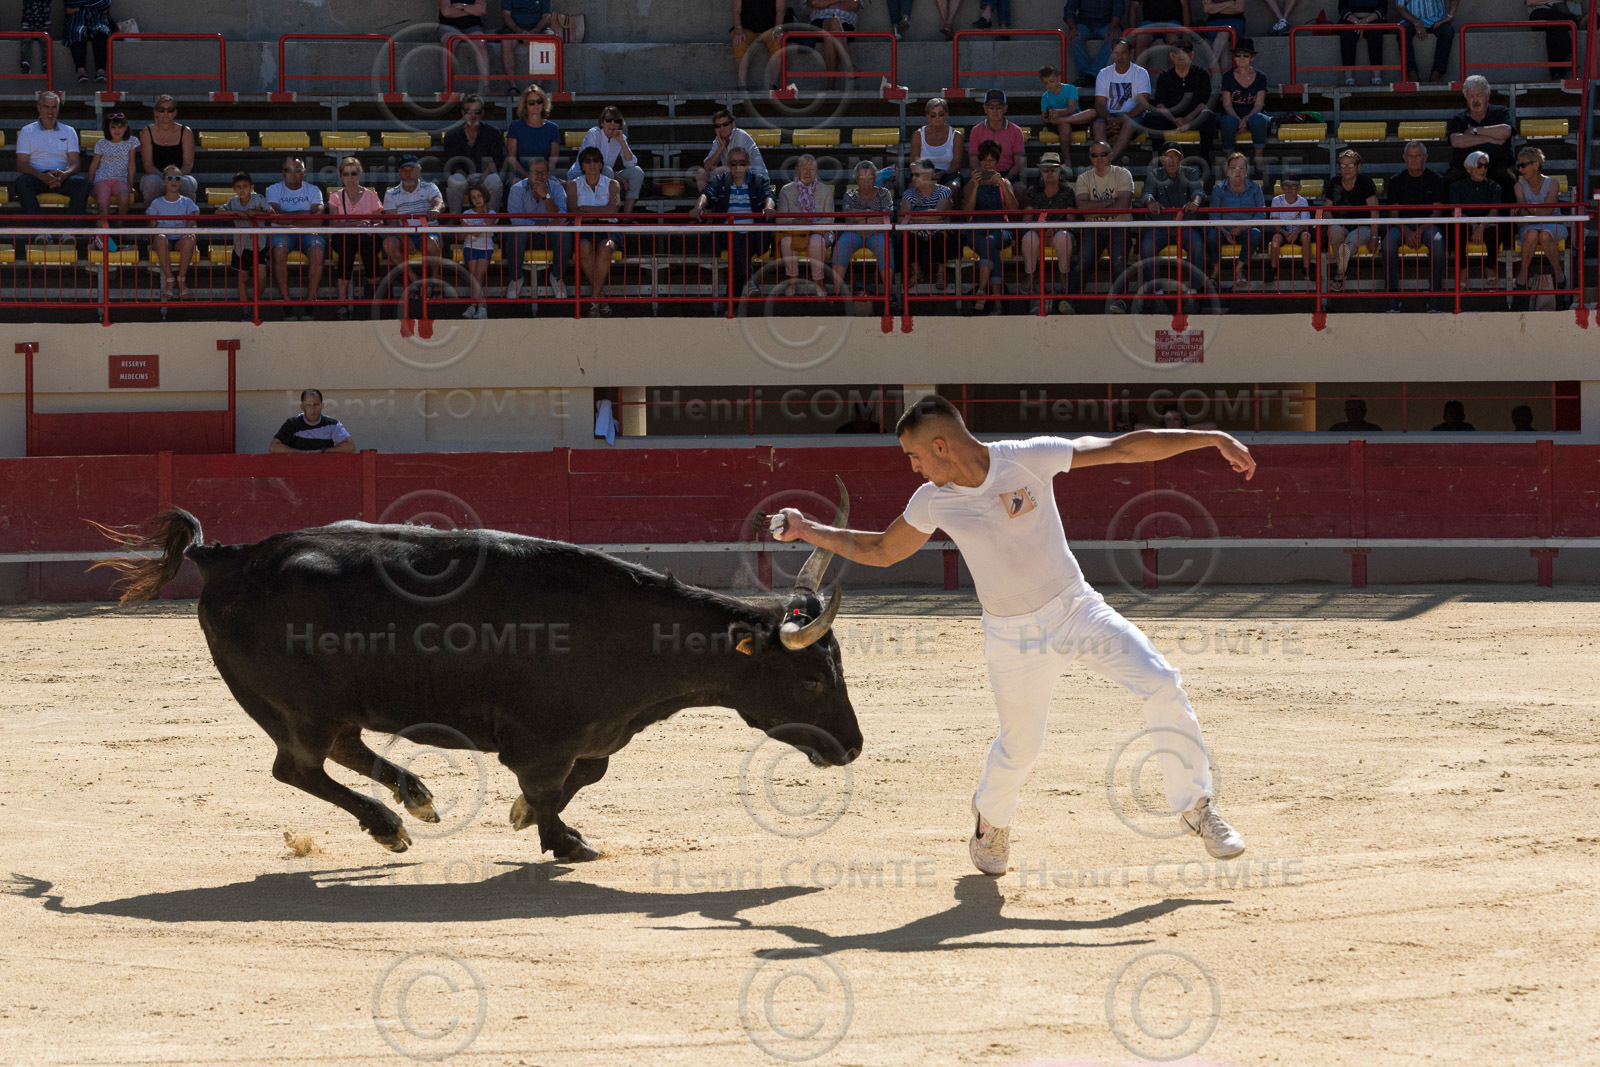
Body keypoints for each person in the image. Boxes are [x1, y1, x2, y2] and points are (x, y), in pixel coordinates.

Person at [771, 394, 1251, 876]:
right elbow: (882, 550)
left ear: (940, 446)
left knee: (1162, 682)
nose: (913, 468)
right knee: (1021, 744)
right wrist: (808, 529)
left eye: (914, 456)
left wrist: (1209, 437)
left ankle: (1196, 807)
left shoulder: (1026, 459)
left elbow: (1123, 449)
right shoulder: (932, 500)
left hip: (1076, 609)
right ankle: (990, 822)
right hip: (1012, 635)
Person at [691, 146, 776, 301]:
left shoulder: (758, 180)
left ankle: (731, 306)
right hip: (726, 235)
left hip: (754, 237)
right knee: (736, 237)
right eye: (734, 163)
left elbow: (768, 195)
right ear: (728, 165)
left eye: (742, 163)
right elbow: (706, 194)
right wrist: (698, 206)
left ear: (749, 163)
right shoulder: (720, 180)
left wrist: (768, 207)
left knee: (738, 250)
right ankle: (749, 282)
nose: (738, 167)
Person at [1382, 140, 1448, 313]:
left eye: (1417, 156)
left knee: (1438, 242)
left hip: (1428, 225)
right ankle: (1392, 299)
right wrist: (1408, 232)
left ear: (1425, 157)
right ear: (1404, 158)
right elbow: (1394, 215)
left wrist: (1418, 231)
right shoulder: (1396, 181)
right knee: (1388, 244)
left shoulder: (1436, 180)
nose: (1413, 160)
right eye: (1410, 156)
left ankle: (1435, 299)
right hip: (1401, 226)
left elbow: (1437, 214)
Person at [1077, 139, 1135, 312]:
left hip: (1119, 226)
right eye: (1095, 155)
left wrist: (1093, 208)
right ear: (1090, 157)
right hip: (1092, 228)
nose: (1099, 158)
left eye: (1103, 154)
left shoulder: (1123, 173)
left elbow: (1123, 206)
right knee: (1083, 260)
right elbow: (1082, 209)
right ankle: (1070, 300)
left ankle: (1120, 300)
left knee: (1118, 262)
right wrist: (1111, 202)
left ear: (1111, 155)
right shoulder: (1083, 177)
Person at [506, 156, 571, 309]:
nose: (540, 176)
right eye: (536, 172)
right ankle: (516, 279)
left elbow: (561, 217)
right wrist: (544, 224)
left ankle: (557, 277)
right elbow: (515, 220)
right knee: (517, 233)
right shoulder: (517, 189)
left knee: (564, 234)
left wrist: (546, 196)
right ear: (528, 174)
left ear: (548, 174)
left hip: (549, 235)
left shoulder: (556, 188)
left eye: (543, 172)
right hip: (527, 235)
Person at [267, 156, 327, 321]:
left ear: (304, 172)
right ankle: (286, 303)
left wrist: (287, 217)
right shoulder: (272, 189)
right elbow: (275, 218)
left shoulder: (314, 190)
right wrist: (305, 214)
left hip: (308, 233)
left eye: (297, 170)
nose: (293, 174)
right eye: (288, 170)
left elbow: (318, 219)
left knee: (318, 252)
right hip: (281, 233)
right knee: (278, 252)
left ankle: (310, 303)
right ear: (282, 172)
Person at [381, 156, 444, 311]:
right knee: (388, 244)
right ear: (399, 173)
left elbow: (439, 201)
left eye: (411, 169)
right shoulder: (391, 193)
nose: (408, 173)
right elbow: (392, 222)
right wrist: (405, 238)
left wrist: (435, 209)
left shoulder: (429, 187)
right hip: (404, 232)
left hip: (428, 231)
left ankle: (435, 278)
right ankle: (413, 279)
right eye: (404, 170)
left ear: (419, 171)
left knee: (430, 242)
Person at [962, 140, 1018, 314]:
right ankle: (998, 304)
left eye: (991, 160)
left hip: (1000, 229)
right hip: (976, 230)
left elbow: (1014, 208)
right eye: (984, 160)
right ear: (979, 162)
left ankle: (982, 288)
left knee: (989, 242)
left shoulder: (1005, 182)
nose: (987, 164)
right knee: (990, 247)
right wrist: (975, 186)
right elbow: (967, 211)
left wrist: (1002, 185)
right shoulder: (971, 183)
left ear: (997, 162)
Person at [15, 92, 90, 220]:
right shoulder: (27, 131)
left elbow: (75, 162)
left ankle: (70, 233)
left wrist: (64, 174)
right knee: (21, 183)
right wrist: (41, 176)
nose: (50, 111)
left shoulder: (69, 131)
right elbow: (21, 164)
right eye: (46, 107)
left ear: (58, 109)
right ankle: (40, 232)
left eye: (54, 107)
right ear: (39, 108)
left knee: (82, 183)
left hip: (62, 176)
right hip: (37, 176)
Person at [325, 156, 384, 320]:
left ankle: (373, 300)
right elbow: (334, 224)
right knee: (345, 252)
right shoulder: (335, 197)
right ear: (341, 176)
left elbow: (379, 223)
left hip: (366, 236)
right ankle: (341, 302)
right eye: (346, 174)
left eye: (354, 173)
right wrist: (355, 225)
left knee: (371, 250)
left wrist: (367, 226)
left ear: (360, 174)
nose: (350, 178)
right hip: (344, 237)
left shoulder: (371, 195)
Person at [567, 144, 621, 317]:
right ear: (582, 165)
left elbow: (613, 212)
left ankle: (595, 300)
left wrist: (585, 210)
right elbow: (573, 213)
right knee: (583, 247)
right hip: (583, 228)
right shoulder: (573, 185)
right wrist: (600, 210)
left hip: (608, 227)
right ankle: (600, 299)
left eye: (595, 161)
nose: (592, 164)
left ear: (600, 165)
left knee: (605, 247)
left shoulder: (613, 184)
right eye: (588, 161)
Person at [1140, 144, 1206, 285]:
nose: (1171, 161)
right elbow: (1147, 194)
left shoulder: (1191, 172)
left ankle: (1193, 292)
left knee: (1197, 245)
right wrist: (1151, 203)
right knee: (1147, 246)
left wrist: (1195, 203)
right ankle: (1156, 293)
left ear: (1181, 158)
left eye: (1174, 157)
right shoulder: (1154, 174)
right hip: (1160, 227)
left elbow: (1198, 191)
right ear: (1162, 160)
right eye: (1167, 157)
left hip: (1185, 226)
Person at [1142, 38, 1216, 163]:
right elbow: (1159, 103)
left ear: (1192, 55)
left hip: (1193, 118)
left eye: (1185, 51)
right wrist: (1174, 120)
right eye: (1177, 52)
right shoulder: (1165, 76)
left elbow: (1204, 102)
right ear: (1171, 56)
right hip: (1171, 119)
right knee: (1151, 117)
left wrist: (1187, 119)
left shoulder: (1201, 73)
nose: (1181, 55)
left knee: (1208, 116)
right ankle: (1160, 159)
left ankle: (1205, 158)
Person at [1020, 151, 1076, 313]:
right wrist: (1039, 229)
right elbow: (1026, 220)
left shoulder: (1068, 192)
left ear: (1060, 172)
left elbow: (1071, 221)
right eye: (1046, 169)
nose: (1050, 172)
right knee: (1029, 237)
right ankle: (1030, 274)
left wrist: (1057, 227)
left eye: (1054, 169)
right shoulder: (1032, 191)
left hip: (1060, 232)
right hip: (1037, 232)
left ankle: (1063, 275)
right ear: (1041, 172)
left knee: (1062, 237)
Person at [1444, 76, 1515, 199]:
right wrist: (1489, 138)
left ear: (1488, 95)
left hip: (1497, 165)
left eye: (1479, 95)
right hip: (1465, 168)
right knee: (1448, 179)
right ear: (1466, 98)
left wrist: (1475, 131)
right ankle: (1452, 217)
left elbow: (1505, 132)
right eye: (1471, 96)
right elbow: (1456, 141)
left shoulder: (1501, 112)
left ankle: (1507, 218)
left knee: (1509, 178)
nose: (1475, 100)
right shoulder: (1459, 118)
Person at [833, 160, 895, 301]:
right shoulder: (849, 195)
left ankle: (888, 293)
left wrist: (860, 216)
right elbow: (849, 217)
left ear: (875, 179)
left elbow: (887, 216)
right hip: (854, 232)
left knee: (884, 246)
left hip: (878, 232)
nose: (866, 181)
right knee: (840, 246)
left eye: (869, 178)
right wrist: (872, 214)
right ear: (856, 180)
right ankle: (836, 293)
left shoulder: (884, 193)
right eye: (862, 178)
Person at [1512, 146, 1568, 302]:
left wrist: (1529, 208)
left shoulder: (1552, 183)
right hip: (1529, 226)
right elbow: (1523, 214)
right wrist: (1535, 209)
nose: (1520, 169)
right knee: (1532, 233)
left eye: (1523, 165)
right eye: (1519, 165)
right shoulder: (1518, 185)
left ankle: (1558, 273)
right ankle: (1523, 274)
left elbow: (1547, 213)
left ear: (1536, 165)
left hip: (1552, 223)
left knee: (1543, 234)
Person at [777, 153, 837, 296]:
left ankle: (818, 284)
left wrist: (811, 225)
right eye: (804, 168)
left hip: (820, 232)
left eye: (812, 169)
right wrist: (797, 223)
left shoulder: (825, 190)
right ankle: (792, 283)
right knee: (786, 242)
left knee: (816, 241)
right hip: (794, 231)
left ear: (816, 171)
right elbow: (780, 220)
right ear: (797, 170)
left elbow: (830, 219)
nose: (808, 172)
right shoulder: (786, 190)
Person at [566, 107, 644, 215]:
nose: (612, 123)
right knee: (607, 171)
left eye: (616, 121)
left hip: (606, 175)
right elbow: (590, 161)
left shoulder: (621, 138)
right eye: (608, 120)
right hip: (581, 175)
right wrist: (619, 177)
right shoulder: (594, 133)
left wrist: (622, 142)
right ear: (602, 122)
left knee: (637, 172)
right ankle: (609, 213)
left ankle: (626, 216)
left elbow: (630, 163)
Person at [1205, 151, 1264, 291]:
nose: (1237, 171)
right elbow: (1214, 217)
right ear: (1227, 170)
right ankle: (1215, 271)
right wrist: (1225, 232)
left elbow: (1261, 214)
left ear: (1246, 171)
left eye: (1241, 168)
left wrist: (1243, 227)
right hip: (1223, 229)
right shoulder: (1218, 189)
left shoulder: (1255, 188)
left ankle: (1239, 269)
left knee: (1255, 233)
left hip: (1247, 228)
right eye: (1233, 168)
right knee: (1212, 236)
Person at [217, 170, 271, 321]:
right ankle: (245, 310)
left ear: (252, 187)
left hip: (258, 244)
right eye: (238, 186)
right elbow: (218, 212)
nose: (242, 190)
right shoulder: (233, 202)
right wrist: (236, 213)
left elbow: (271, 213)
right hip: (240, 245)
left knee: (261, 276)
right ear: (234, 189)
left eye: (245, 186)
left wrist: (255, 213)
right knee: (243, 277)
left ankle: (256, 304)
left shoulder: (258, 199)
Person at [1324, 148, 1379, 293]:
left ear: (1358, 166)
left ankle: (1340, 273)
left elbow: (1374, 210)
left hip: (1363, 226)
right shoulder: (1335, 182)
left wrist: (1374, 235)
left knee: (1347, 246)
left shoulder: (1365, 182)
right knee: (1334, 231)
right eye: (1342, 166)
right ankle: (1342, 271)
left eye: (1350, 165)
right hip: (1341, 224)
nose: (1346, 169)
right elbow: (1327, 209)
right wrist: (1331, 223)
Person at [901, 157, 958, 295]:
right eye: (913, 174)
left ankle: (941, 273)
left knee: (941, 236)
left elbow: (939, 214)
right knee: (906, 237)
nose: (913, 178)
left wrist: (914, 217)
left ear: (928, 175)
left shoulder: (944, 190)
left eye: (917, 175)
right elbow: (902, 217)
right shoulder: (908, 193)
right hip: (917, 231)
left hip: (938, 231)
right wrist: (929, 218)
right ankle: (916, 270)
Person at [1448, 150, 1504, 287]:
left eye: (1486, 166)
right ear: (1469, 168)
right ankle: (1462, 268)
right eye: (1479, 165)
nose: (1483, 169)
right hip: (1465, 222)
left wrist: (1481, 226)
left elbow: (1494, 211)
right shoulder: (1456, 187)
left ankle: (1490, 266)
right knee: (1458, 228)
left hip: (1486, 223)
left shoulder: (1494, 187)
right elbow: (1456, 212)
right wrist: (1474, 226)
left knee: (1494, 230)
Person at [442, 93, 506, 214]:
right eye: (469, 112)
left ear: (482, 113)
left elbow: (495, 161)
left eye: (477, 112)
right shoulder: (452, 135)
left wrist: (481, 180)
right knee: (455, 181)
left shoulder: (493, 133)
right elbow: (453, 164)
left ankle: (492, 219)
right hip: (463, 176)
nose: (473, 116)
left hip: (485, 175)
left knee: (495, 181)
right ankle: (455, 218)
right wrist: (470, 181)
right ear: (462, 113)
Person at [1092, 39, 1151, 165]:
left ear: (1131, 52)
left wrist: (1121, 120)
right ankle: (1104, 157)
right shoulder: (1103, 73)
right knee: (1098, 125)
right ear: (1111, 53)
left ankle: (1108, 161)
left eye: (1123, 52)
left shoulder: (1141, 73)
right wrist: (1109, 119)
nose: (1119, 57)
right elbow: (1100, 103)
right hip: (1110, 116)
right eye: (1116, 53)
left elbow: (1143, 104)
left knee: (1129, 124)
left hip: (1133, 116)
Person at [147, 165, 199, 302]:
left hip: (180, 240)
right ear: (164, 181)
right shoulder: (156, 203)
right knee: (160, 238)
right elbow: (152, 227)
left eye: (177, 178)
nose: (173, 181)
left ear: (181, 181)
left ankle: (181, 279)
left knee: (189, 238)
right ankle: (170, 278)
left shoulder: (187, 202)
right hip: (164, 241)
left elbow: (191, 223)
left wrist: (191, 234)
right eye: (170, 178)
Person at [1218, 39, 1268, 174]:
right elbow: (1227, 104)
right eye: (1238, 55)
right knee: (1227, 121)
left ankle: (1258, 157)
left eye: (1246, 56)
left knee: (1259, 119)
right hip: (1233, 114)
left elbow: (1259, 104)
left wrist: (1246, 118)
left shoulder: (1261, 77)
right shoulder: (1228, 76)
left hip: (1253, 114)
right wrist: (1239, 120)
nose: (1241, 58)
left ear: (1252, 57)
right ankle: (1230, 159)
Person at [137, 95, 197, 204]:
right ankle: (153, 218)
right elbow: (148, 165)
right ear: (155, 112)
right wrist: (166, 179)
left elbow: (188, 164)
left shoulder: (186, 132)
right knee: (152, 183)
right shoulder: (147, 132)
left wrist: (175, 178)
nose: (166, 113)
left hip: (180, 175)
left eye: (170, 110)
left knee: (187, 183)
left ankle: (189, 219)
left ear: (175, 112)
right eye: (161, 110)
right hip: (156, 175)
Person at [88, 112, 136, 244]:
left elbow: (131, 164)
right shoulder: (101, 144)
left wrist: (130, 184)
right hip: (102, 180)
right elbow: (94, 165)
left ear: (126, 127)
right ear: (107, 128)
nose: (117, 130)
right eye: (113, 127)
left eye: (120, 127)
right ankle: (102, 237)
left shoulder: (131, 142)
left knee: (125, 198)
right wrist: (89, 184)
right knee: (103, 208)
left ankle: (119, 231)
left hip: (120, 180)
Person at [696, 109, 770, 192]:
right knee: (701, 173)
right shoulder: (718, 140)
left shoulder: (741, 135)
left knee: (721, 171)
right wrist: (721, 147)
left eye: (725, 124)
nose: (722, 128)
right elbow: (707, 166)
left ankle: (722, 201)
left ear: (733, 124)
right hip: (734, 176)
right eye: (718, 126)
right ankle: (708, 203)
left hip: (755, 179)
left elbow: (738, 165)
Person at [1038, 66, 1094, 170]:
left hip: (1075, 118)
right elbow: (1044, 117)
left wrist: (1059, 113)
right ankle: (1067, 159)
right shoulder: (1045, 97)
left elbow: (1072, 109)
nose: (1049, 85)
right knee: (1064, 126)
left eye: (1051, 81)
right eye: (1046, 83)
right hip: (1058, 123)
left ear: (1059, 78)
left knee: (1093, 112)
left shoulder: (1070, 88)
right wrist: (1047, 117)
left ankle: (1063, 121)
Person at [969, 89, 1027, 184]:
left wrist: (1006, 179)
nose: (994, 110)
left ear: (1005, 108)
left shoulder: (1016, 131)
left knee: (1020, 189)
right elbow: (973, 159)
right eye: (990, 107)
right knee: (968, 190)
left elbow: (1019, 162)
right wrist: (982, 176)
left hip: (1008, 173)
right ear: (985, 108)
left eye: (998, 107)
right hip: (984, 173)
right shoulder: (976, 130)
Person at [507, 85, 562, 185]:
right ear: (525, 105)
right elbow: (511, 158)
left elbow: (553, 157)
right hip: (520, 174)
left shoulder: (552, 128)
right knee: (516, 184)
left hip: (545, 175)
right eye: (531, 103)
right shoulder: (515, 126)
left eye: (539, 101)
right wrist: (528, 176)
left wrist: (543, 176)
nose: (536, 105)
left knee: (556, 185)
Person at [1064, 0, 1129, 83]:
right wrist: (1072, 28)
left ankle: (1091, 75)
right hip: (1085, 24)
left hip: (1107, 24)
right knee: (1074, 38)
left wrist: (1113, 27)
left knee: (1115, 40)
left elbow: (1118, 10)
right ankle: (1085, 76)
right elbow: (1069, 10)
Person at [271, 390, 355, 453]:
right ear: (302, 407)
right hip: (297, 469)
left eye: (316, 405)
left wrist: (323, 451)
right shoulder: (292, 424)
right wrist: (301, 454)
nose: (312, 409)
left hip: (325, 470)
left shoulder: (332, 424)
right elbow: (274, 447)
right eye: (308, 405)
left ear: (322, 406)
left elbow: (350, 447)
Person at [805, 0, 863, 87]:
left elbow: (854, 5)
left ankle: (830, 86)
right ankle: (848, 66)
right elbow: (814, 3)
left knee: (832, 27)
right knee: (833, 22)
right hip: (818, 23)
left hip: (846, 24)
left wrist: (828, 5)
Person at [459, 181, 495, 319]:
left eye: (479, 196)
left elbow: (490, 226)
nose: (477, 200)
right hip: (470, 247)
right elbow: (460, 236)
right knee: (475, 277)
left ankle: (474, 306)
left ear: (485, 197)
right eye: (473, 197)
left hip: (486, 248)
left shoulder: (491, 213)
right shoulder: (467, 213)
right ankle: (480, 308)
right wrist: (470, 231)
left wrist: (484, 211)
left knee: (478, 276)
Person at [912, 97, 965, 188]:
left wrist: (943, 173)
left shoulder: (956, 136)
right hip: (924, 173)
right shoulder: (918, 135)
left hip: (949, 173)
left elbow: (956, 165)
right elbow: (914, 162)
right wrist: (927, 175)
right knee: (912, 188)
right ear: (927, 116)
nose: (937, 117)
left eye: (941, 114)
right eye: (933, 114)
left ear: (946, 114)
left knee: (954, 187)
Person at [1398, 0, 1456, 84]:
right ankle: (1411, 73)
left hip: (1435, 20)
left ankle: (1437, 73)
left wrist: (1450, 16)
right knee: (1402, 32)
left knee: (1447, 31)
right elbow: (1400, 7)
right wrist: (1416, 22)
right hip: (1411, 20)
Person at [732, 0, 787, 88]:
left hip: (770, 29)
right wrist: (738, 30)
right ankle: (742, 85)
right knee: (739, 43)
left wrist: (778, 29)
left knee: (778, 42)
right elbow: (736, 9)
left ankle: (773, 85)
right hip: (746, 28)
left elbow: (780, 10)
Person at [1268, 174, 1312, 283]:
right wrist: (1285, 233)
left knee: (1306, 236)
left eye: (1293, 186)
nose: (1289, 189)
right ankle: (1273, 269)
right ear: (1282, 188)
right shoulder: (1276, 200)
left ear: (1299, 188)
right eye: (1286, 186)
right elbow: (1274, 222)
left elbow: (1306, 223)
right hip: (1282, 231)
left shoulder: (1303, 201)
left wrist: (1296, 232)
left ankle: (1306, 269)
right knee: (1275, 239)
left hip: (1298, 231)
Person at [1337, 0, 1392, 84]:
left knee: (1375, 33)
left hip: (1373, 20)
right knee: (1347, 33)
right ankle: (1348, 77)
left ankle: (1376, 76)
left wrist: (1366, 21)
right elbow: (1342, 8)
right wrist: (1356, 22)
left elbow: (1383, 8)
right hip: (1351, 20)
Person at [437, 0, 490, 87]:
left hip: (472, 25)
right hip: (449, 25)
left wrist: (461, 7)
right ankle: (447, 87)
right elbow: (446, 12)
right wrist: (471, 9)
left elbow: (481, 10)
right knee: (449, 42)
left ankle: (485, 86)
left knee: (480, 43)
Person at [499, 0, 553, 78]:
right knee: (506, 42)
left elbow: (546, 16)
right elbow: (506, 15)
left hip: (538, 28)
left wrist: (534, 31)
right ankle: (512, 86)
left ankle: (538, 86)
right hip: (514, 28)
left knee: (551, 41)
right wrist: (518, 31)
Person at [63, 0, 110, 85]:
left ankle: (100, 71)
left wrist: (81, 6)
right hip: (78, 20)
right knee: (77, 32)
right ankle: (81, 71)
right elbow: (70, 4)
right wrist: (93, 4)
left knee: (102, 33)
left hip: (97, 20)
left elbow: (105, 3)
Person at [1201, 0, 1246, 67]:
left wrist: (1215, 8)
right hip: (1214, 22)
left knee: (1224, 31)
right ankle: (1225, 75)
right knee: (1224, 46)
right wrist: (1229, 3)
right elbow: (1206, 8)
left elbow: (1239, 8)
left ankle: (1211, 66)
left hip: (1235, 21)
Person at [18, 0, 50, 76]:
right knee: (26, 41)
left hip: (43, 26)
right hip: (28, 26)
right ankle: (25, 64)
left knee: (45, 41)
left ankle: (46, 64)